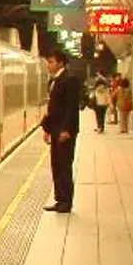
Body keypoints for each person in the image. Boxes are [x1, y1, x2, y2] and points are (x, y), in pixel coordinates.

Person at [41, 50, 81, 213]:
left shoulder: (70, 79)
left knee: (64, 166)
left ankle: (66, 201)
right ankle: (60, 199)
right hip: (56, 129)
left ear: (60, 63)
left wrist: (67, 130)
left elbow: (72, 108)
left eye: (51, 62)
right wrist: (47, 129)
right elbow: (53, 108)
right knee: (56, 165)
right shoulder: (55, 80)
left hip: (64, 132)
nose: (48, 65)